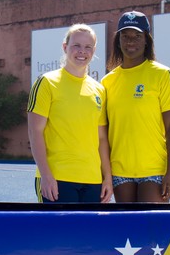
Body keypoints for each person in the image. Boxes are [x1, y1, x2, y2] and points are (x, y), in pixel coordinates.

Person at [27, 24, 113, 203]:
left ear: (94, 51)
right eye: (77, 45)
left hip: (92, 180)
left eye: (88, 47)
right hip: (57, 179)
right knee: (59, 232)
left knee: (89, 232)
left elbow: (102, 139)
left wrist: (107, 178)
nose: (82, 51)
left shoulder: (99, 90)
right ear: (65, 47)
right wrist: (46, 175)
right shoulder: (46, 83)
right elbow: (35, 132)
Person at [102, 11, 170, 202]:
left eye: (137, 36)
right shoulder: (107, 82)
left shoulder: (162, 74)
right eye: (125, 36)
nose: (131, 41)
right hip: (120, 171)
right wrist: (105, 173)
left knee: (152, 229)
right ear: (118, 40)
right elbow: (103, 134)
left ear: (146, 40)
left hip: (153, 170)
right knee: (127, 230)